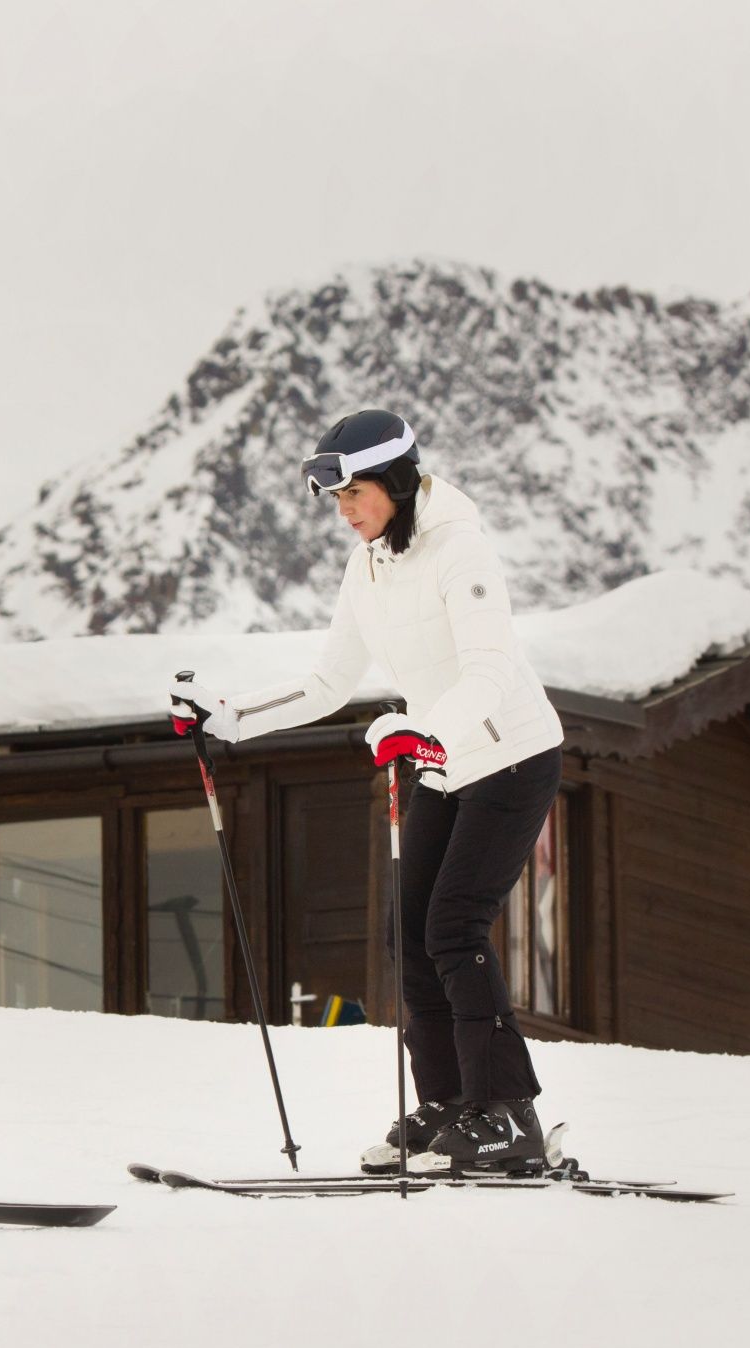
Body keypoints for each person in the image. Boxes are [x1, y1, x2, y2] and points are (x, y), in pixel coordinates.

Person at [170, 409, 565, 1173]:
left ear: (399, 481)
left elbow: (491, 670)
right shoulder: (371, 564)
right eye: (337, 500)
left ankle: (509, 1118)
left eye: (355, 493)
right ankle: (454, 1105)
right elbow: (328, 683)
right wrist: (228, 719)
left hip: (512, 756)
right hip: (445, 761)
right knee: (409, 934)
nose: (344, 512)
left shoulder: (461, 549)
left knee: (454, 927)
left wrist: (424, 730)